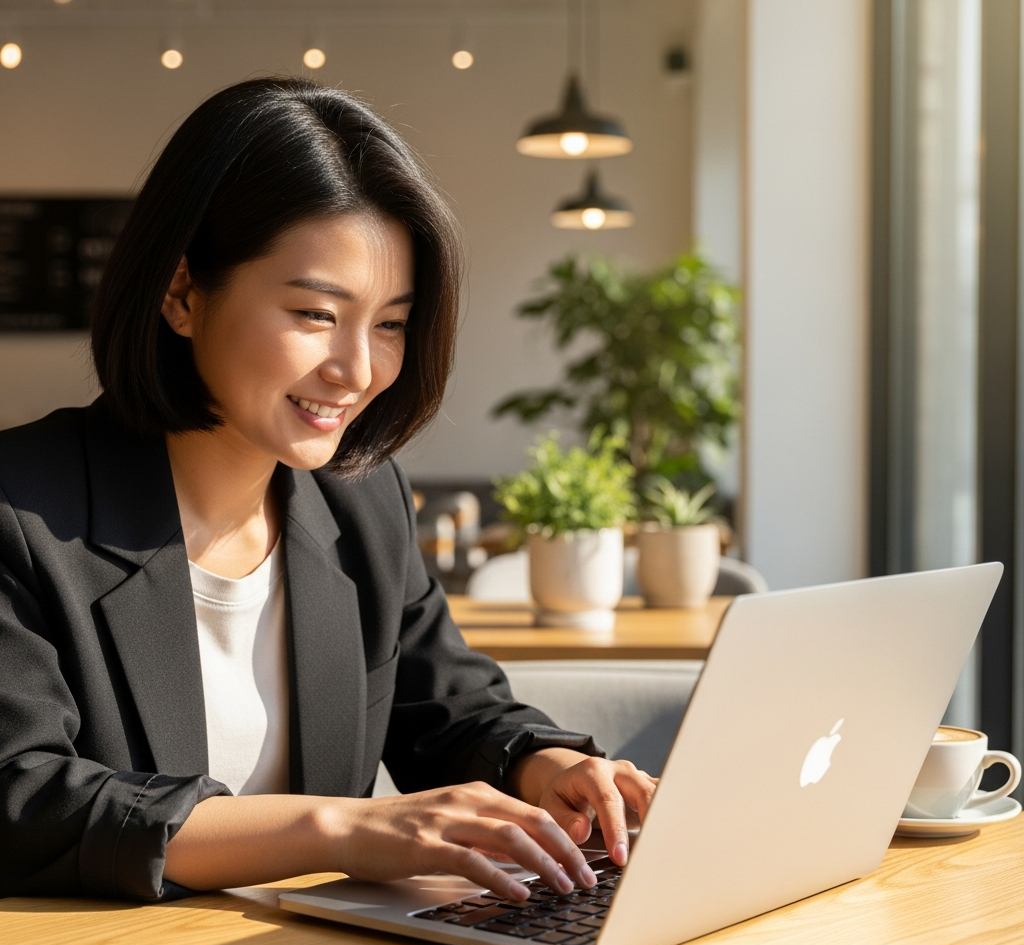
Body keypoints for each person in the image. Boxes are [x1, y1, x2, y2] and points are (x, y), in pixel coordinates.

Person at [0, 77, 656, 903]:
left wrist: (543, 763)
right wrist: (343, 829)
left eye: (388, 324)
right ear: (181, 294)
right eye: (315, 314)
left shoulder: (359, 497)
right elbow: (23, 798)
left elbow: (448, 708)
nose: (357, 371)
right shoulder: (20, 512)